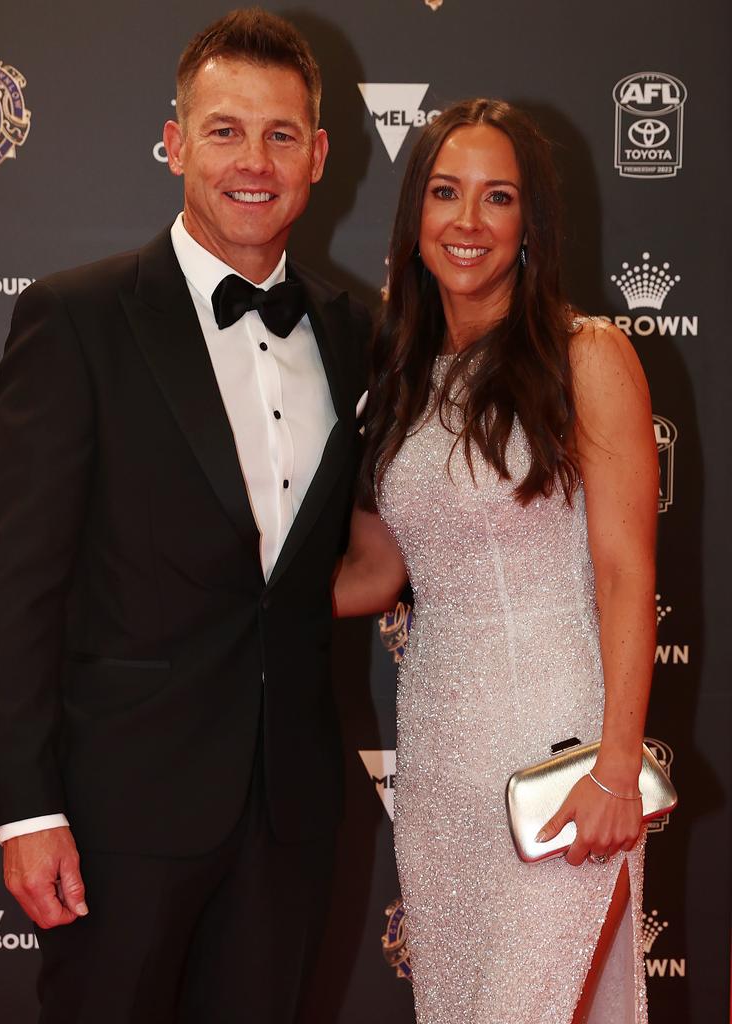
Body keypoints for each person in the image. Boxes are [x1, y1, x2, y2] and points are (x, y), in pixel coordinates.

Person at [0, 9, 369, 1023]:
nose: (255, 160)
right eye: (225, 129)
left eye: (282, 134)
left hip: (292, 815)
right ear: (174, 141)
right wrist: (26, 806)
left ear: (319, 155)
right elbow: (19, 583)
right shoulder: (79, 317)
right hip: (118, 817)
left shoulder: (356, 330)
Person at [334, 99, 658, 1023]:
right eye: (445, 193)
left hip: (562, 756)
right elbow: (373, 573)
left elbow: (627, 573)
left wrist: (618, 769)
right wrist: (222, 586)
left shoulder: (584, 355)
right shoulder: (400, 375)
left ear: (531, 224)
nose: (467, 222)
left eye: (497, 197)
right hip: (437, 764)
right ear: (415, 217)